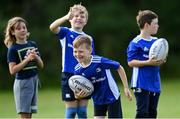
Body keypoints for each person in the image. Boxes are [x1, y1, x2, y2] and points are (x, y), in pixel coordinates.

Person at [49, 4, 95, 118]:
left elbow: (92, 59)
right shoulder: (66, 33)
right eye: (75, 16)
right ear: (70, 19)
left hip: (85, 76)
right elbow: (52, 27)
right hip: (69, 75)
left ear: (86, 21)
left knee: (82, 111)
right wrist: (65, 17)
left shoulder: (88, 38)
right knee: (71, 111)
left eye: (82, 16)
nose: (79, 18)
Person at [72, 35, 132, 119]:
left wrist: (126, 88)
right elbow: (77, 89)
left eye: (81, 51)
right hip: (97, 99)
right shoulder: (77, 69)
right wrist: (78, 96)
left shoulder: (100, 61)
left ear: (90, 50)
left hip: (112, 96)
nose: (77, 54)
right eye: (75, 51)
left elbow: (119, 67)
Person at [127, 10, 166, 118]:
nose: (157, 26)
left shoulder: (157, 41)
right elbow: (130, 62)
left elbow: (159, 58)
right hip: (141, 82)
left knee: (152, 112)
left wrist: (161, 60)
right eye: (155, 23)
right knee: (142, 112)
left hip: (154, 82)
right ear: (146, 25)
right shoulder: (135, 42)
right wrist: (148, 62)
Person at [4, 17, 44, 119]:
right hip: (23, 84)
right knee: (24, 115)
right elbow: (12, 70)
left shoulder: (32, 44)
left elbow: (41, 65)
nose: (22, 30)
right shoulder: (13, 49)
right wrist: (27, 59)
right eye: (18, 28)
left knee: (29, 115)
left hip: (33, 81)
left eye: (24, 27)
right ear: (12, 32)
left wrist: (36, 57)